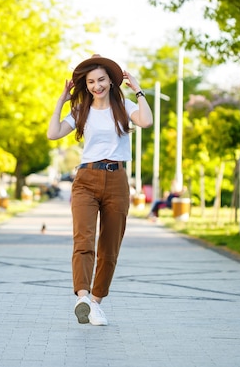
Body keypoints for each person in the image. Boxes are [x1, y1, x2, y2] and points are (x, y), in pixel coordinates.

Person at [47, 54, 153, 326]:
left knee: (110, 247)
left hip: (117, 181)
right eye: (91, 81)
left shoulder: (124, 106)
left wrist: (138, 90)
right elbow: (53, 133)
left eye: (102, 80)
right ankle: (82, 297)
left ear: (111, 81)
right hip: (86, 178)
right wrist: (62, 100)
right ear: (86, 84)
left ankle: (96, 303)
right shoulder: (81, 110)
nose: (97, 86)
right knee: (83, 239)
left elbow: (146, 121)